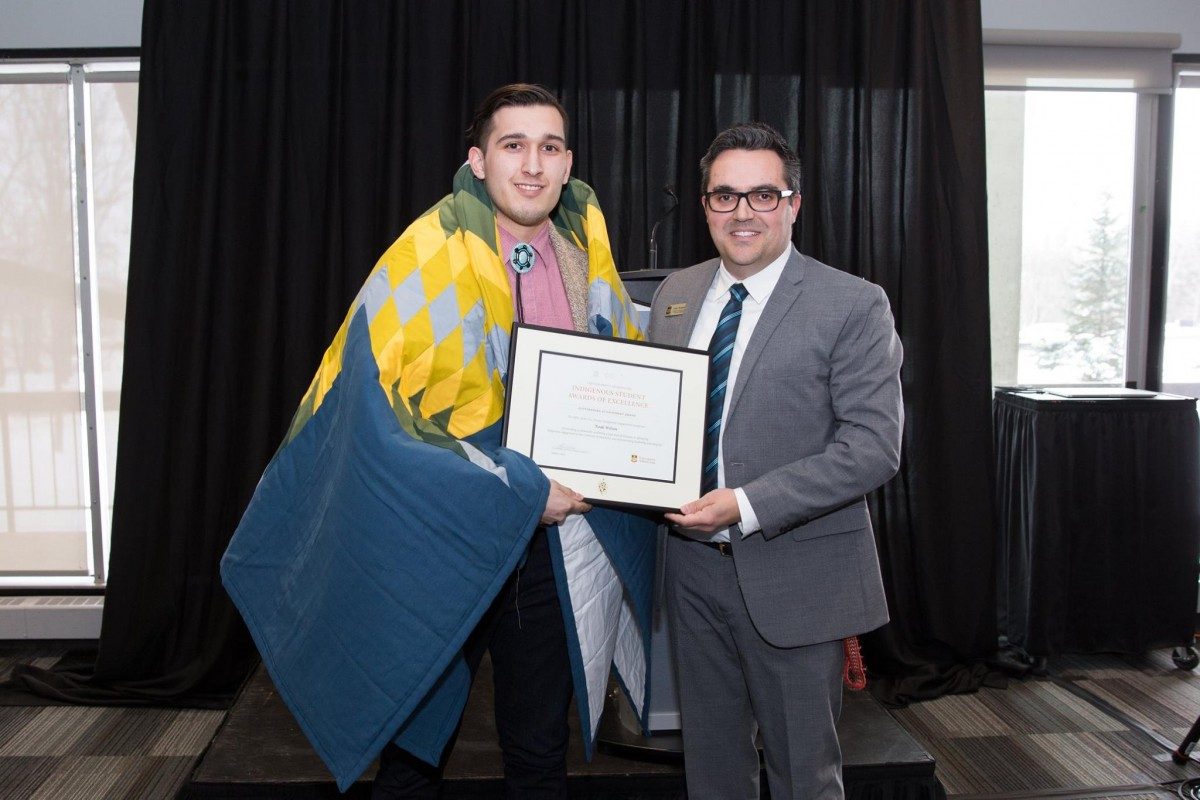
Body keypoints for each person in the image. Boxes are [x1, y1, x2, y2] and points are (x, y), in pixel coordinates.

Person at [221, 84, 654, 798]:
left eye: (549, 147)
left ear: (569, 161)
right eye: (513, 146)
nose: (532, 165)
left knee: (541, 748)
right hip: (443, 532)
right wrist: (513, 483)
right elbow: (378, 408)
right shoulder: (426, 254)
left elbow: (621, 370)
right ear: (478, 160)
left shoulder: (586, 251)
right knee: (413, 755)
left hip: (550, 541)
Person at [648, 122, 903, 800]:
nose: (742, 212)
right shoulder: (675, 294)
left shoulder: (852, 304)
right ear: (704, 205)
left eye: (763, 195)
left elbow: (873, 447)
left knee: (802, 776)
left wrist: (747, 504)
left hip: (798, 572)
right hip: (690, 570)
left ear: (793, 203)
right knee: (713, 769)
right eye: (724, 196)